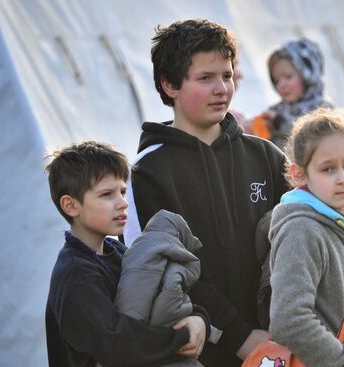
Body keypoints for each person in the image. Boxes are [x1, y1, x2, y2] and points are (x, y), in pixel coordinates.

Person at [123, 19, 288, 366]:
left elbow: (299, 240)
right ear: (170, 85)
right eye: (205, 78)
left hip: (282, 343)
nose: (222, 89)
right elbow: (160, 271)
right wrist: (238, 335)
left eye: (227, 76)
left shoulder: (267, 155)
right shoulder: (147, 172)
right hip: (202, 353)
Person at [44, 141, 209, 367]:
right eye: (106, 195)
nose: (122, 203)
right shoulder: (76, 275)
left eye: (122, 191)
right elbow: (117, 343)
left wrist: (198, 319)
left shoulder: (119, 252)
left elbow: (164, 295)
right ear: (71, 206)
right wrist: (181, 337)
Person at [268, 108, 344, 366]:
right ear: (300, 174)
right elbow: (289, 321)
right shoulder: (301, 230)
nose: (343, 178)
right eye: (328, 169)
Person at [115, 209, 205, 367]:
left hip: (142, 336)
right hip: (160, 337)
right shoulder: (167, 254)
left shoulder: (133, 251)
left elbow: (134, 295)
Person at [258, 38, 332, 149]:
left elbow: (311, 140)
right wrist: (257, 130)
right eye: (277, 81)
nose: (281, 85)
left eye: (288, 76)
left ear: (308, 76)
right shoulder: (275, 111)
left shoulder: (323, 110)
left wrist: (280, 123)